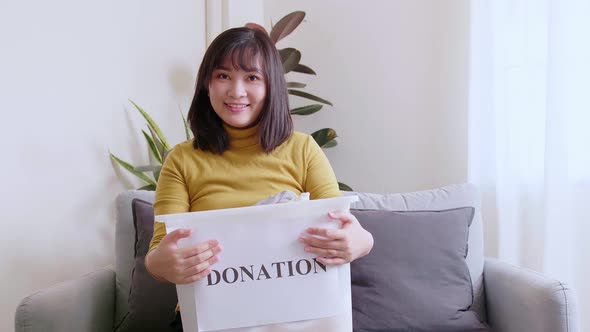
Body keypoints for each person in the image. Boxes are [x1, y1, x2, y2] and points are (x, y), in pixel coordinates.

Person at [144, 26, 374, 331]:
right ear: (206, 85)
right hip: (211, 316)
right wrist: (163, 263)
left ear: (270, 86)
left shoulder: (303, 149)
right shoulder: (181, 160)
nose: (236, 91)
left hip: (296, 315)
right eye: (223, 76)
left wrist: (360, 241)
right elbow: (158, 253)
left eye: (252, 78)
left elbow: (344, 227)